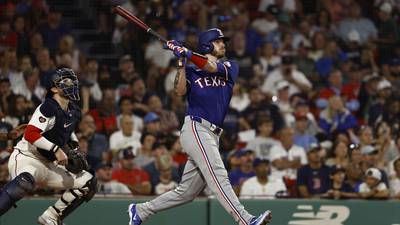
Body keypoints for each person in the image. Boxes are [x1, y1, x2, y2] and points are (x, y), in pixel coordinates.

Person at [127, 28, 271, 225]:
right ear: (206, 44)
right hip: (196, 127)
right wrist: (181, 61)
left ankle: (141, 210)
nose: (223, 44)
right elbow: (179, 91)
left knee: (186, 192)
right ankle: (245, 220)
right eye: (218, 41)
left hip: (213, 135)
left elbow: (211, 67)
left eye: (223, 41)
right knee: (217, 173)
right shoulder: (192, 69)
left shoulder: (230, 65)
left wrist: (186, 52)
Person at [0, 68, 96, 225]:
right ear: (54, 89)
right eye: (66, 81)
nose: (71, 84)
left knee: (88, 182)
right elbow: (30, 134)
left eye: (72, 81)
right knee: (24, 182)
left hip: (49, 164)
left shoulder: (74, 111)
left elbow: (67, 131)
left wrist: (75, 148)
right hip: (28, 157)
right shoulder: (48, 106)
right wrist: (56, 149)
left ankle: (51, 216)